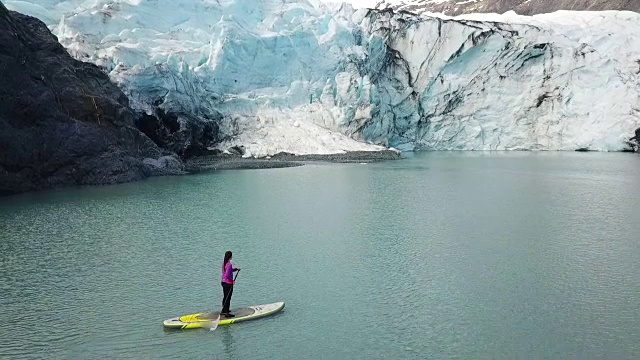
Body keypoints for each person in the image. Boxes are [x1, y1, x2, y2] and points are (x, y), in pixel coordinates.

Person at [221, 251, 240, 317]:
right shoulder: (229, 264)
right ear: (230, 256)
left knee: (225, 296)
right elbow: (227, 275)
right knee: (228, 297)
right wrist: (232, 281)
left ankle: (224, 310)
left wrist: (236, 269)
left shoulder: (224, 263)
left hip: (223, 282)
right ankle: (226, 313)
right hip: (228, 283)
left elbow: (229, 270)